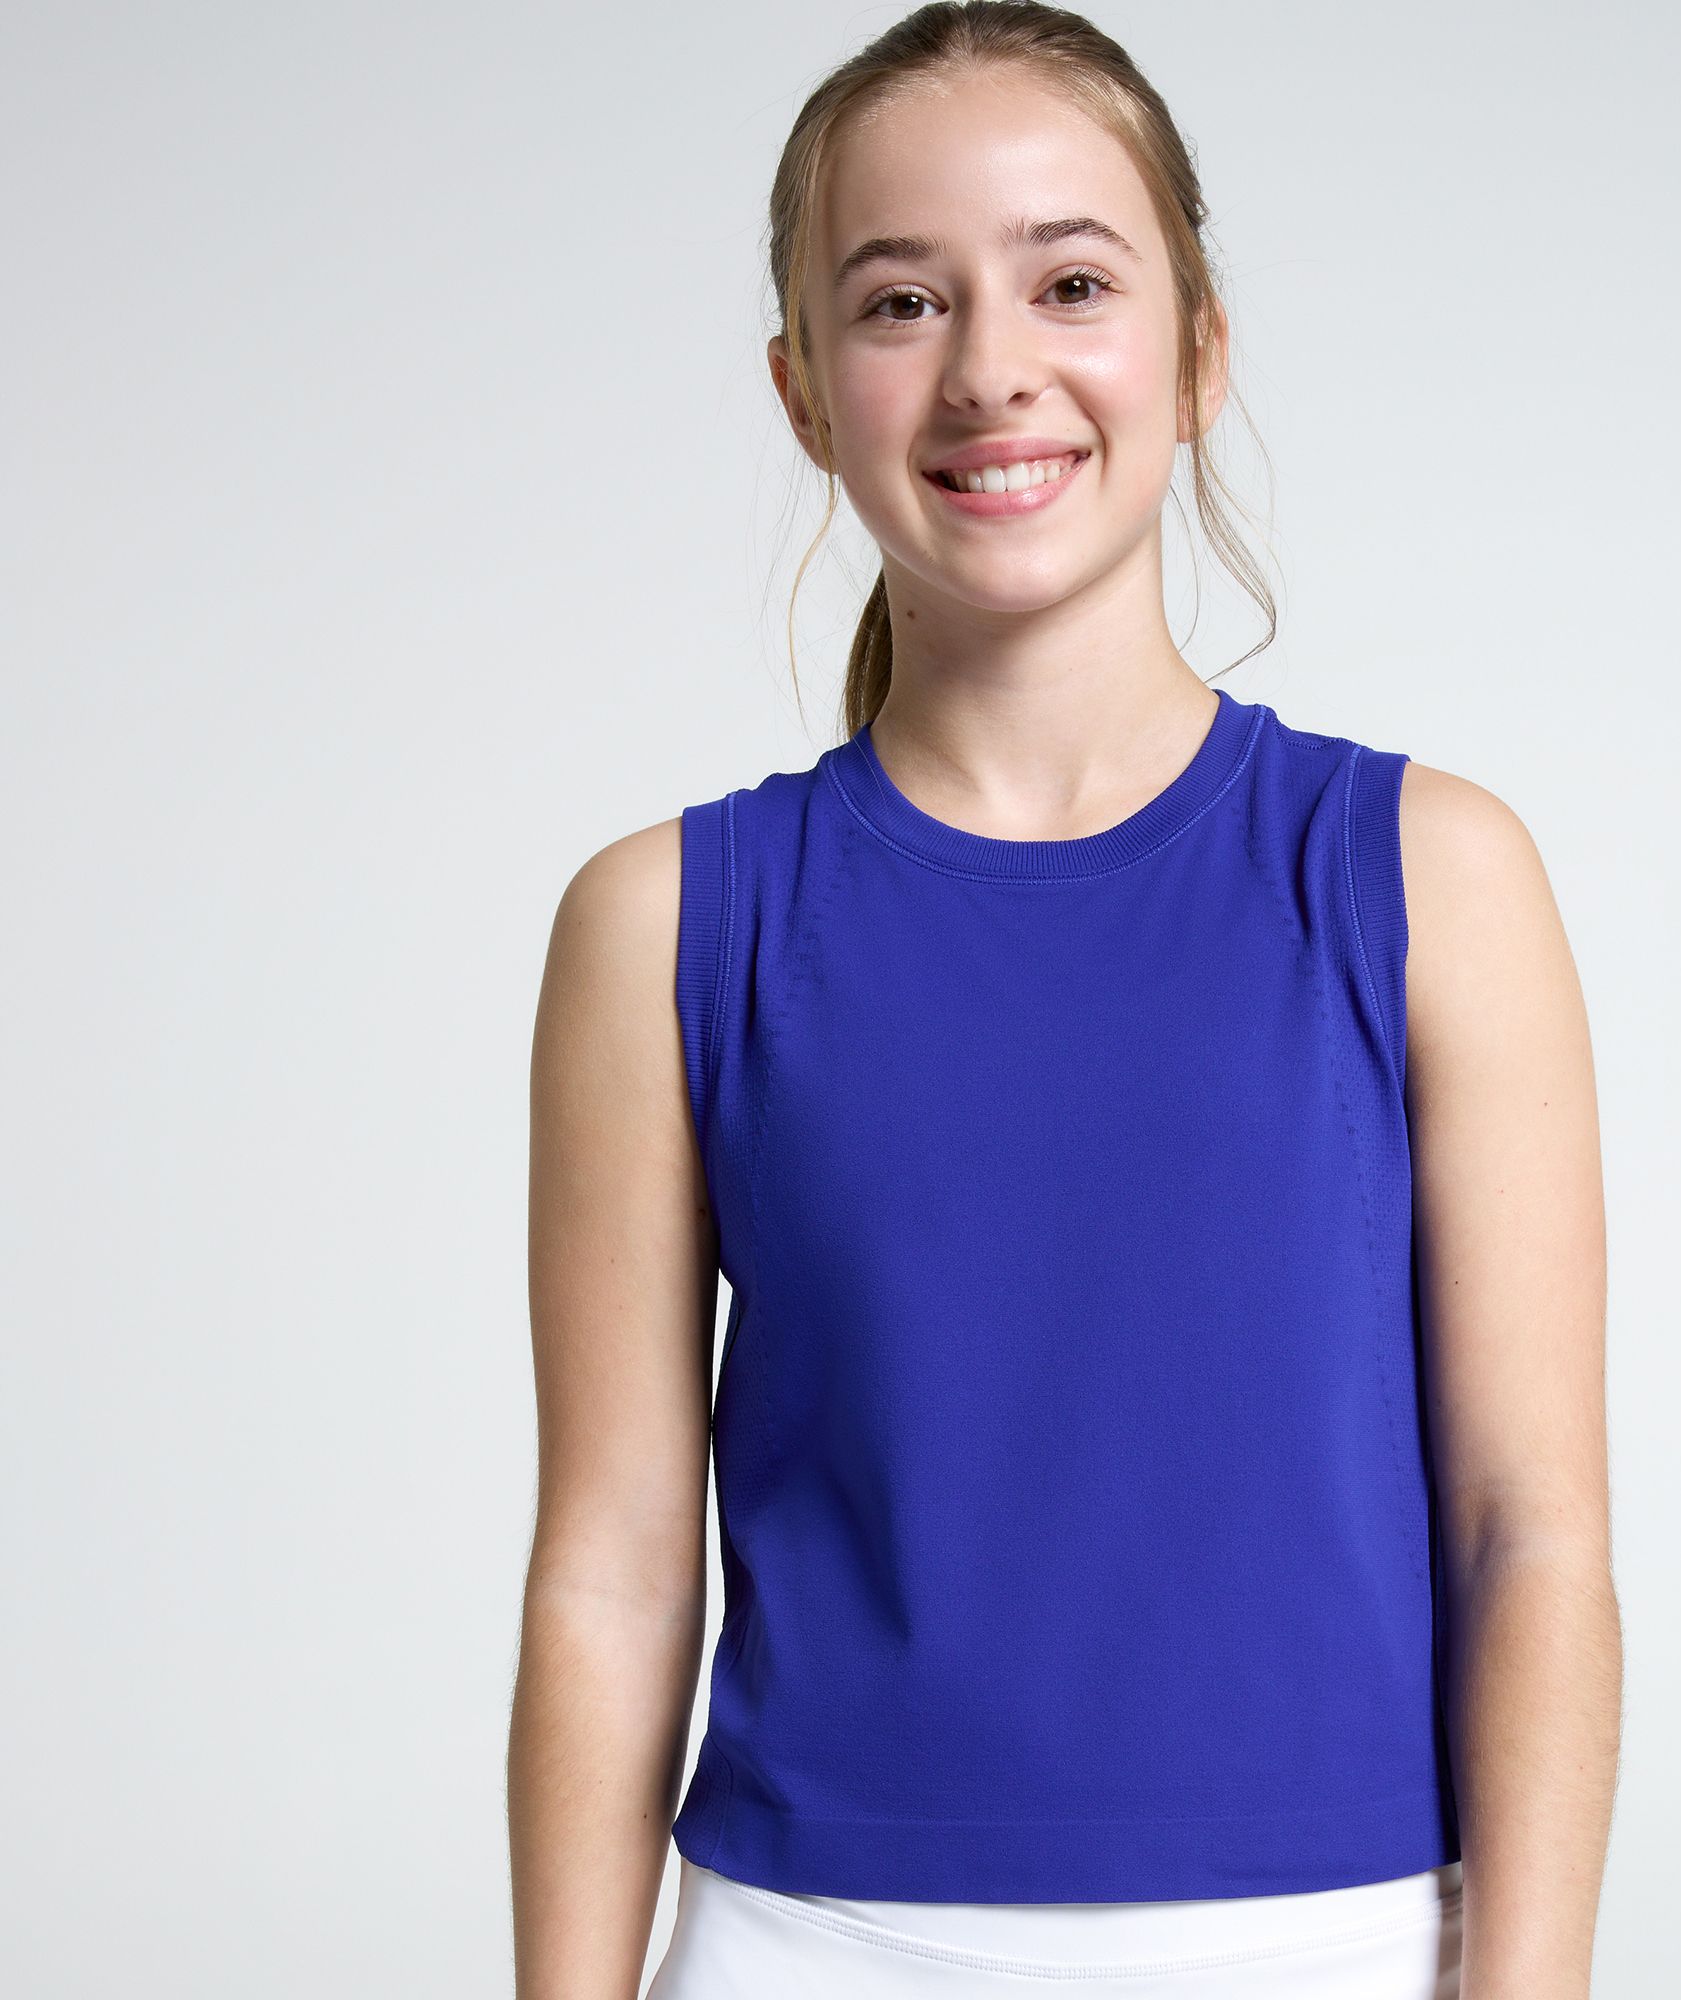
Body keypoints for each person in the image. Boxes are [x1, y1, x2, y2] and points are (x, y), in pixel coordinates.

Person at [508, 4, 1621, 1996]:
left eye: (1072, 283)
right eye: (900, 301)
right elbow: (609, 1567)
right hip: (809, 1943)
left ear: (1198, 351)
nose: (989, 368)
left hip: (1341, 1941)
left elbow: (1528, 1531)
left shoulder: (1425, 877)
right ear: (801, 390)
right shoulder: (667, 924)